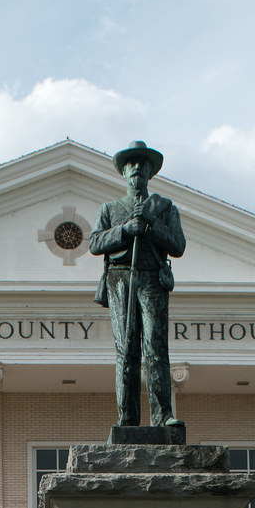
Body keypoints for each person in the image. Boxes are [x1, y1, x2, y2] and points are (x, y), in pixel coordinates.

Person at [89, 141, 186, 429]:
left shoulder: (164, 208)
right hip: (121, 277)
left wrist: (151, 225)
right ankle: (127, 419)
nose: (137, 169)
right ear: (123, 172)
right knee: (126, 350)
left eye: (142, 165)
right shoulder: (110, 208)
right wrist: (125, 230)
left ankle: (162, 415)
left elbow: (178, 245)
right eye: (131, 164)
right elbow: (95, 242)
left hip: (152, 277)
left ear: (149, 172)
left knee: (155, 347)